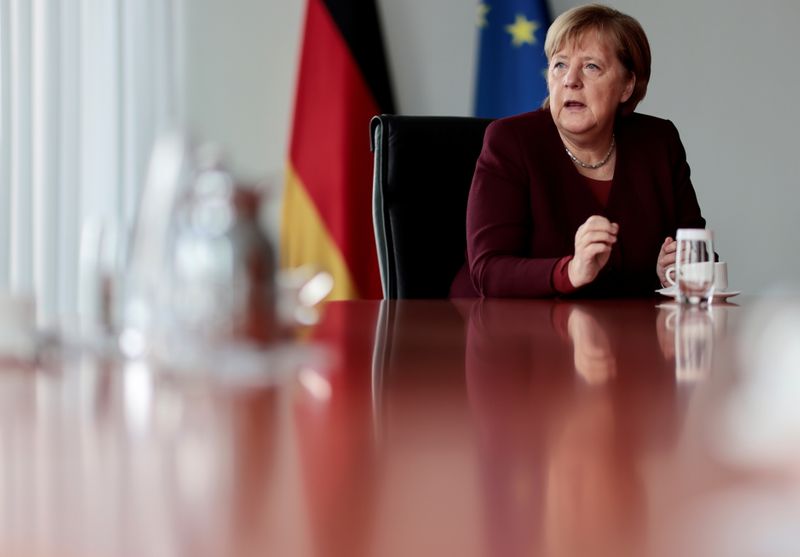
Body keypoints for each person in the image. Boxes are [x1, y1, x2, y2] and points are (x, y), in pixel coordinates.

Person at [450, 4, 707, 298]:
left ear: (627, 85)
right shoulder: (510, 141)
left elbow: (698, 252)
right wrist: (571, 271)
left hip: (623, 335)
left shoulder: (658, 142)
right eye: (559, 65)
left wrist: (677, 271)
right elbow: (489, 270)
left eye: (590, 66)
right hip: (511, 333)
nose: (570, 80)